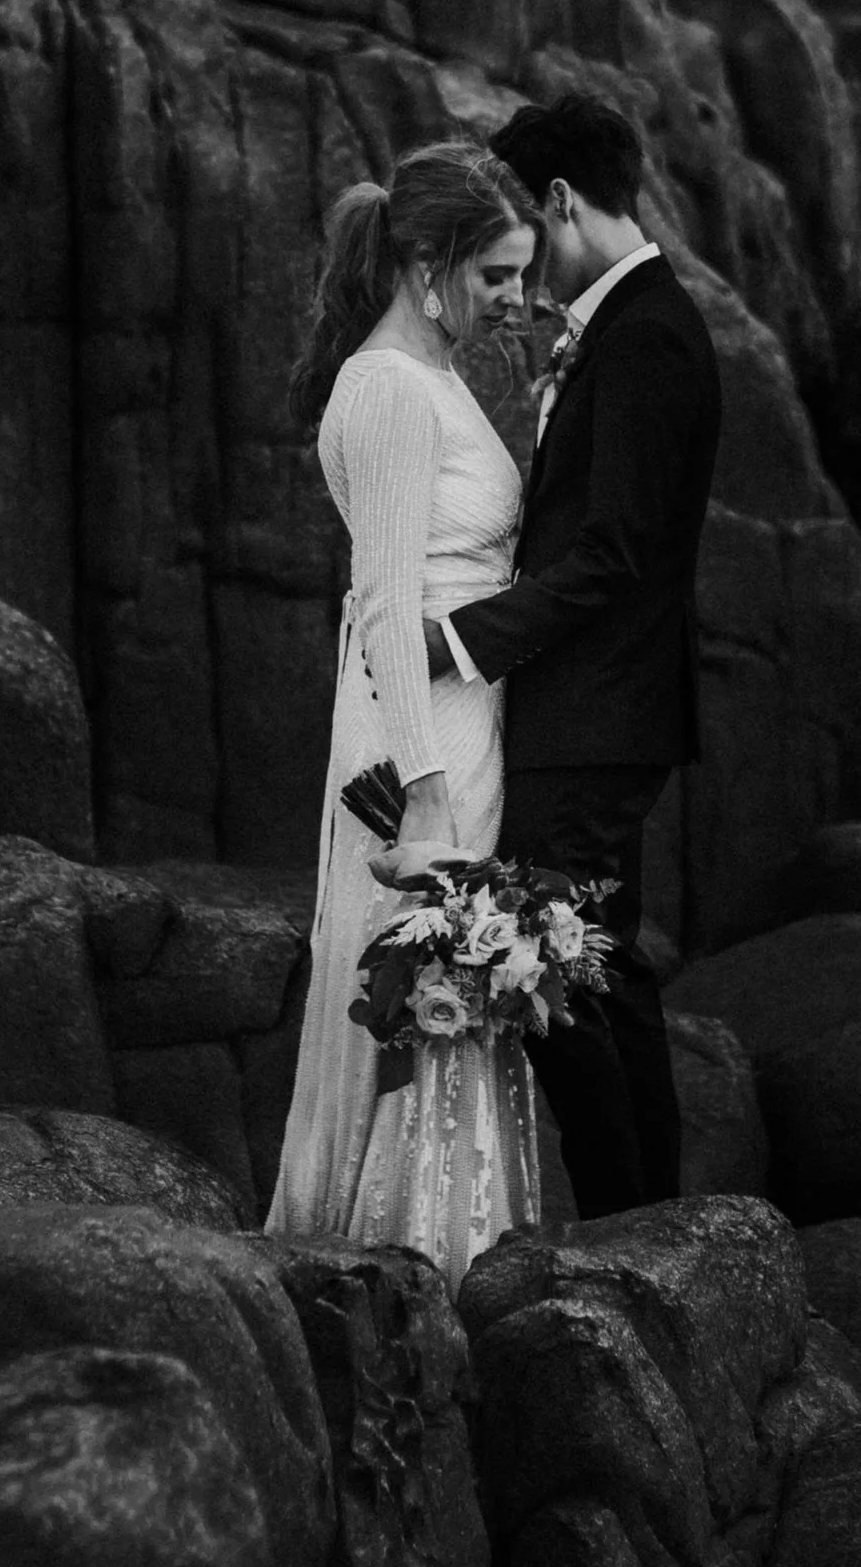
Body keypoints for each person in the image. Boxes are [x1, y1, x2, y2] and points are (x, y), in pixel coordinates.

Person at [429, 90, 722, 1217]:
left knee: (545, 974)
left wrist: (462, 638)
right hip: (600, 709)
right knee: (605, 975)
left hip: (599, 714)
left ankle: (620, 1220)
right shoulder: (632, 323)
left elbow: (613, 554)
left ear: (558, 199)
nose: (519, 263)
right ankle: (651, 1219)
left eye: (523, 229)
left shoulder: (645, 333)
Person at [263, 141, 539, 1287]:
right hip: (416, 740)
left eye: (520, 274)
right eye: (494, 277)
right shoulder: (383, 390)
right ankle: (408, 1252)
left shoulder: (436, 380)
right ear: (428, 266)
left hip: (464, 717)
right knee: (424, 983)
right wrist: (423, 800)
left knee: (456, 993)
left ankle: (453, 1237)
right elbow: (384, 603)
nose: (514, 299)